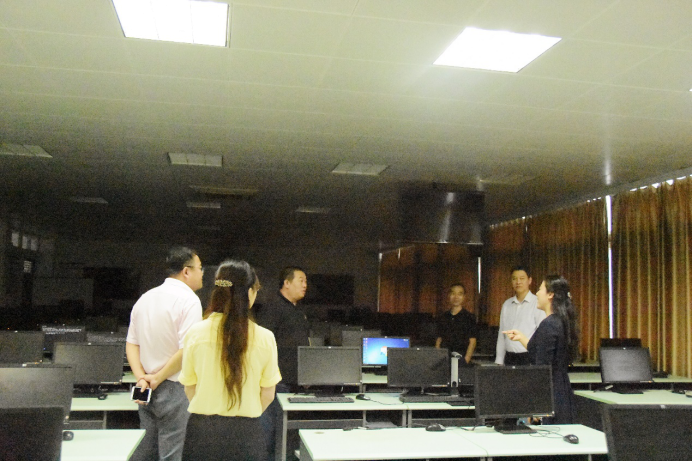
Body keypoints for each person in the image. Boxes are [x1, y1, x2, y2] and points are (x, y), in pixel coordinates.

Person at [179, 260, 281, 461]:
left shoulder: (195, 333)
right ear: (249, 293)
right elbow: (268, 394)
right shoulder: (265, 338)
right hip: (247, 435)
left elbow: (190, 387)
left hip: (202, 434)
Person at [126, 247, 204, 461]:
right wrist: (158, 378)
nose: (202, 273)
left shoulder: (145, 298)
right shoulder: (189, 300)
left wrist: (141, 377)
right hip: (174, 388)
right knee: (171, 454)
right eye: (199, 268)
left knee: (146, 452)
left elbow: (131, 344)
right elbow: (187, 349)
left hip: (145, 387)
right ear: (186, 271)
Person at [502, 274, 579, 424]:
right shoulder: (560, 321)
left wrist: (536, 404)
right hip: (561, 389)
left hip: (551, 395)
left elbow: (542, 369)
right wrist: (521, 337)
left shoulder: (548, 324)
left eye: (540, 289)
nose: (537, 293)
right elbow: (539, 351)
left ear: (550, 295)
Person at [254, 266, 309, 459]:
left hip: (295, 382)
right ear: (286, 283)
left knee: (288, 434)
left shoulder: (297, 310)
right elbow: (262, 344)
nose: (305, 285)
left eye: (306, 281)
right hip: (276, 382)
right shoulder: (273, 308)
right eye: (301, 280)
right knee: (272, 431)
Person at [495, 266, 546, 366]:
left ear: (529, 280)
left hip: (528, 357)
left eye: (522, 278)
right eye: (514, 279)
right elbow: (502, 334)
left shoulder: (537, 303)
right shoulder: (507, 304)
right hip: (509, 357)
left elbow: (542, 334)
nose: (518, 282)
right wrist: (499, 360)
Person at [435, 283, 478, 365]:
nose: (456, 297)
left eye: (459, 294)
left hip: (461, 358)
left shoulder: (469, 317)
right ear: (449, 296)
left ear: (464, 297)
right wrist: (437, 357)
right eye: (453, 293)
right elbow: (439, 339)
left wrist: (466, 360)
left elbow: (472, 341)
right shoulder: (443, 317)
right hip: (444, 358)